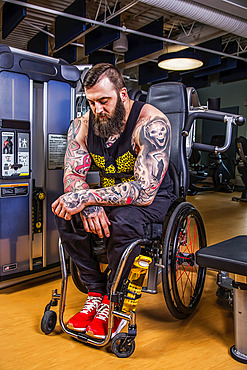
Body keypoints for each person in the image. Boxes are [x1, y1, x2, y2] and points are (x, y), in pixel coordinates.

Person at [52, 63, 176, 340]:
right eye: (91, 102)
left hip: (153, 199)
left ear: (122, 94)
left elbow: (145, 192)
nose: (97, 109)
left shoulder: (151, 123)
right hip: (109, 195)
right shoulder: (82, 126)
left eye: (104, 100)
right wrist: (89, 203)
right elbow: (73, 174)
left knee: (122, 220)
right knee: (64, 211)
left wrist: (87, 196)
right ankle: (96, 292)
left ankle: (114, 300)